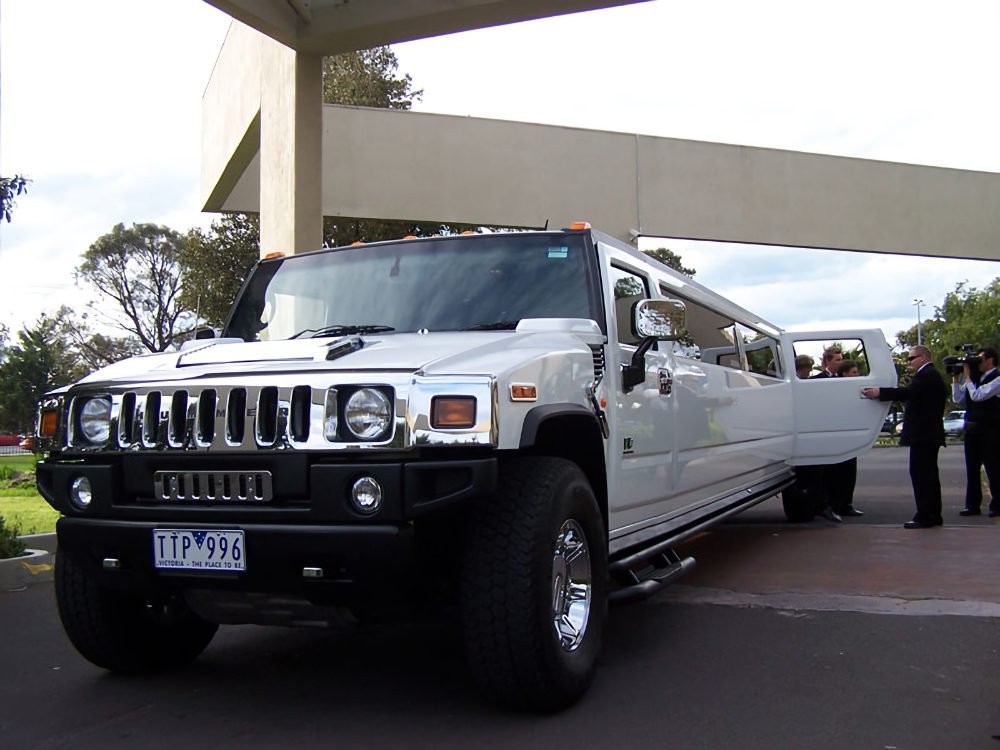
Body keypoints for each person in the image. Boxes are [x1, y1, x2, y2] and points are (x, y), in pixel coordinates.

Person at [862, 345, 946, 528]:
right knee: (928, 474)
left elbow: (908, 393)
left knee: (922, 475)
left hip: (924, 435)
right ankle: (932, 514)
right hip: (928, 434)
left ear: (923, 358)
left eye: (911, 358)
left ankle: (926, 515)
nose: (909, 363)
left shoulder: (926, 376)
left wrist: (880, 392)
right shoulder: (930, 375)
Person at [951, 346, 1000, 517]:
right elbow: (958, 399)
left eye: (980, 360)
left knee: (993, 468)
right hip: (972, 430)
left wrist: (968, 377)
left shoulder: (997, 379)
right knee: (972, 469)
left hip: (990, 430)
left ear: (990, 360)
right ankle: (972, 505)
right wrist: (956, 379)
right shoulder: (974, 379)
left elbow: (979, 395)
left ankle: (997, 504)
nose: (976, 364)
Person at [829, 359, 863, 517]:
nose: (857, 375)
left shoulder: (855, 388)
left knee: (850, 472)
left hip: (851, 434)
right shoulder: (836, 387)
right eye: (854, 372)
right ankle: (836, 504)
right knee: (838, 473)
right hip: (838, 435)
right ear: (844, 374)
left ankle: (846, 503)